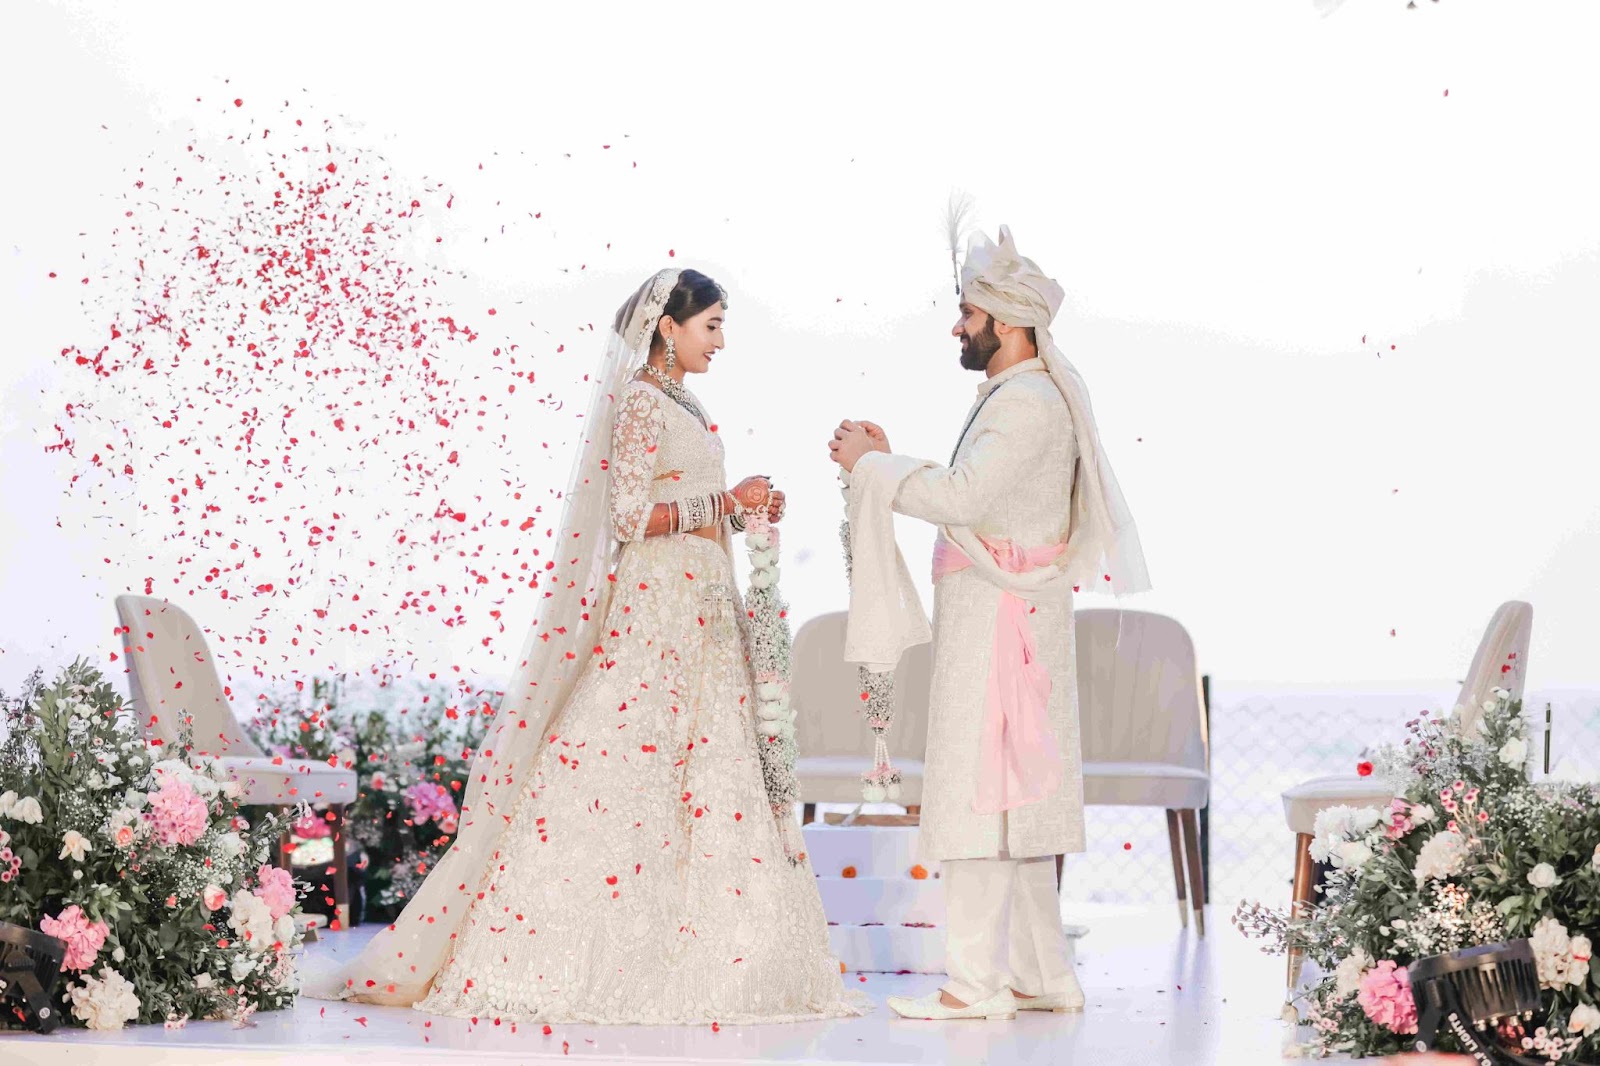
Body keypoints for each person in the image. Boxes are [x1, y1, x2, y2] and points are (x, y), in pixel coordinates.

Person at [307, 268, 865, 1025]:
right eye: (712, 326)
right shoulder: (639, 400)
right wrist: (722, 504)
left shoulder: (687, 401)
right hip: (657, 610)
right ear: (669, 327)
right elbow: (631, 515)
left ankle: (719, 955)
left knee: (705, 774)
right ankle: (582, 955)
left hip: (701, 607)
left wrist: (743, 514)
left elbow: (691, 510)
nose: (722, 341)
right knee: (627, 761)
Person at [828, 226, 1150, 1021]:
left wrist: (872, 465)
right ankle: (1046, 977)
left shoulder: (1025, 405)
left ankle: (974, 985)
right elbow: (979, 493)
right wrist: (896, 467)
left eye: (966, 313)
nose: (957, 327)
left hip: (998, 620)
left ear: (1005, 323)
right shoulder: (1025, 398)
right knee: (1017, 801)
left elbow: (965, 500)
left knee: (981, 796)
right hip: (1009, 614)